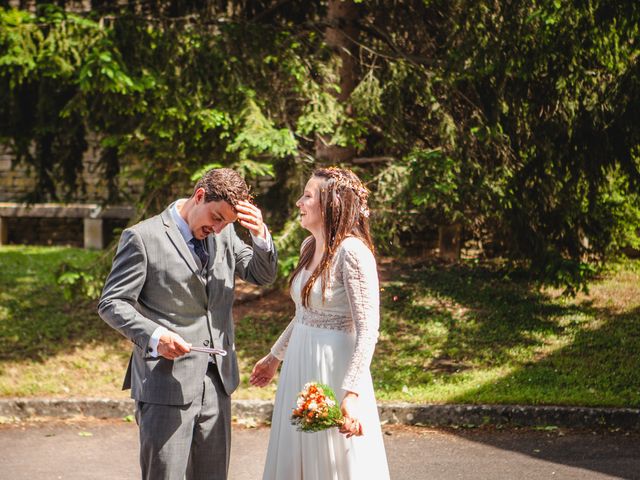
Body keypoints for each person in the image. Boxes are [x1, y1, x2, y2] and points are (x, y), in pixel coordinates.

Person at [98, 168, 278, 480]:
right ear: (199, 196)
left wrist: (261, 236)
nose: (219, 227)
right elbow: (112, 303)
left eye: (226, 223)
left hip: (217, 383)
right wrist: (155, 335)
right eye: (216, 217)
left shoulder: (224, 235)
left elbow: (261, 275)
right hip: (165, 382)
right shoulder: (143, 238)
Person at [250, 166, 390, 479]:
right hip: (299, 361)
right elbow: (304, 313)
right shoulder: (308, 247)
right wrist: (275, 357)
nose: (299, 202)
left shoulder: (353, 252)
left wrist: (351, 394)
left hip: (333, 366)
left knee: (333, 460)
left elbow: (368, 330)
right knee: (296, 452)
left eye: (308, 196)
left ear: (331, 204)